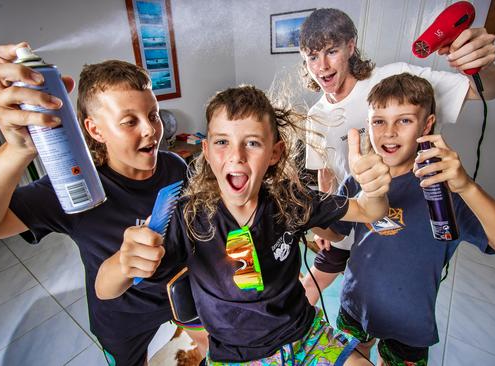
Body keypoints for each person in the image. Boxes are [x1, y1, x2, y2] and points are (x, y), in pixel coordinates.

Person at [0, 43, 207, 366]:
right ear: (94, 129)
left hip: (181, 302)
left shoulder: (174, 166)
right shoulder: (76, 188)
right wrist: (18, 149)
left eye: (151, 115)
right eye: (129, 121)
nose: (151, 129)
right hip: (124, 323)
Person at [95, 85, 392, 365]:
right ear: (207, 151)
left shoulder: (291, 201)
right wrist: (123, 262)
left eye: (252, 143)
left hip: (305, 336)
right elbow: (104, 290)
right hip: (237, 357)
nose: (236, 156)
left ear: (274, 153)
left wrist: (375, 189)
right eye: (222, 142)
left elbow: (368, 210)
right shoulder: (190, 217)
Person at [311, 73, 495, 365]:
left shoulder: (445, 190)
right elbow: (337, 233)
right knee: (352, 358)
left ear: (427, 124)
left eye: (404, 120)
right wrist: (309, 216)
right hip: (355, 305)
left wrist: (467, 186)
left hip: (409, 324)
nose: (389, 132)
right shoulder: (361, 178)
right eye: (379, 121)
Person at [298, 7, 495, 307]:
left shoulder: (395, 79)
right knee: (323, 288)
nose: (322, 66)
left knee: (391, 300)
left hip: (405, 213)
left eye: (331, 51)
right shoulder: (316, 115)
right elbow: (326, 174)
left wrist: (479, 64)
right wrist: (325, 219)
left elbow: (492, 90)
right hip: (352, 213)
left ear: (351, 46)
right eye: (312, 57)